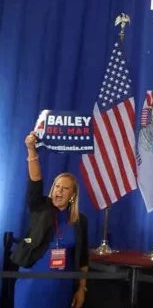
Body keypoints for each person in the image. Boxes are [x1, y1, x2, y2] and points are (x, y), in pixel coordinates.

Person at [12, 132, 88, 308]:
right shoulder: (40, 207)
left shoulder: (80, 220)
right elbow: (35, 180)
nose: (59, 191)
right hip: (32, 284)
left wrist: (81, 289)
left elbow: (83, 258)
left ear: (73, 195)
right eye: (56, 186)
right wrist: (31, 150)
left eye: (65, 188)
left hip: (61, 288)